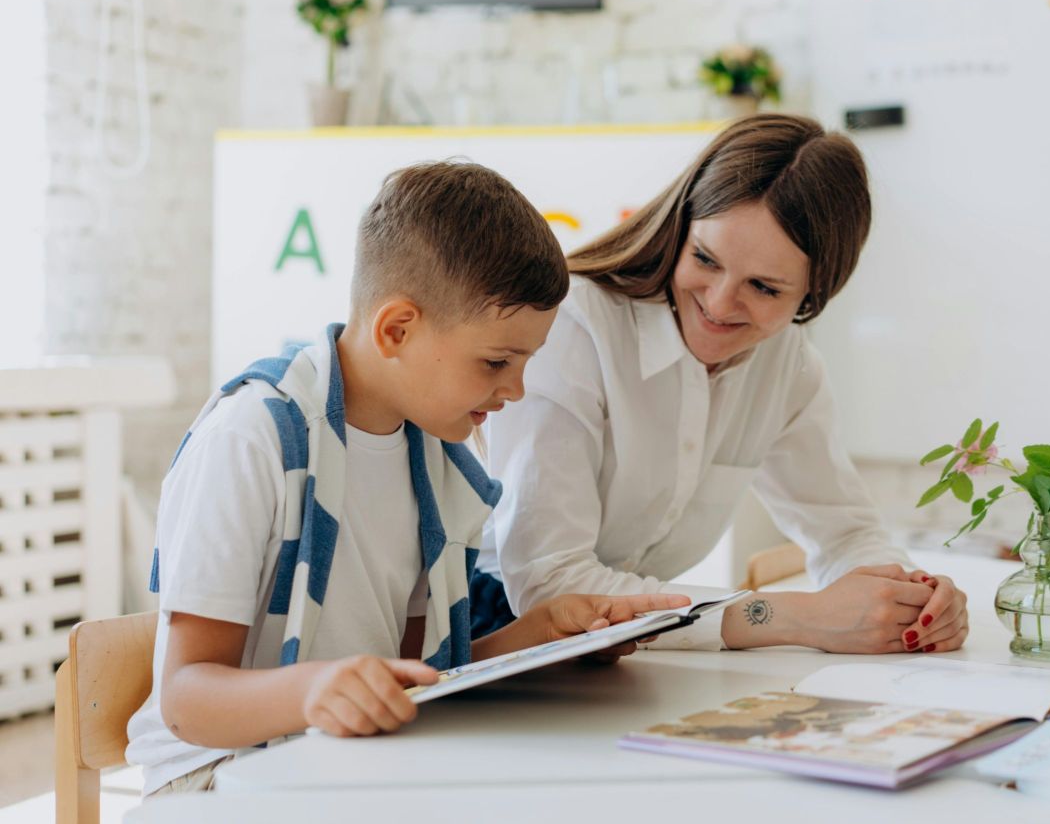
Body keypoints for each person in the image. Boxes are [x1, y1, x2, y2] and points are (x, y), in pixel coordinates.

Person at [125, 161, 687, 796]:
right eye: (497, 361)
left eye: (526, 361)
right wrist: (312, 690)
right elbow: (185, 700)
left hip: (346, 762)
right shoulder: (252, 437)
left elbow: (416, 676)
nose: (516, 388)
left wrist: (543, 637)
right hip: (216, 778)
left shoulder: (434, 455)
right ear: (397, 329)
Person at [480, 114, 968, 655]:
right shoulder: (575, 327)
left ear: (815, 294)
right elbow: (549, 584)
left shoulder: (788, 366)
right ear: (680, 229)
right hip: (499, 632)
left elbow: (845, 533)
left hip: (630, 649)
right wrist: (794, 615)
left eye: (763, 287)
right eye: (705, 259)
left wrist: (909, 599)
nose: (717, 303)